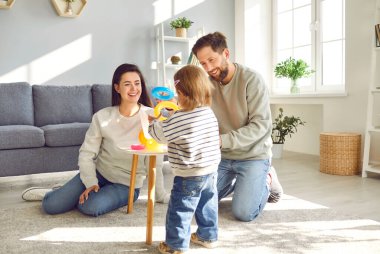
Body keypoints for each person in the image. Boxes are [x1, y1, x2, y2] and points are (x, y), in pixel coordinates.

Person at [21, 63, 170, 217]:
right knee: (51, 206)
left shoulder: (153, 117)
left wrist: (160, 195)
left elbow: (156, 162)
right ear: (117, 88)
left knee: (89, 207)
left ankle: (72, 193)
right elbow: (87, 153)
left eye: (137, 83)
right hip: (99, 173)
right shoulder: (102, 116)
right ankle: (57, 192)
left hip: (126, 185)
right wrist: (91, 182)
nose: (134, 89)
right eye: (127, 84)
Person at [191, 32, 283, 222]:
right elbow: (191, 110)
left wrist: (221, 140)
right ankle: (240, 182)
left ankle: (267, 179)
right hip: (223, 156)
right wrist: (164, 111)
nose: (208, 68)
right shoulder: (207, 84)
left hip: (253, 156)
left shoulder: (252, 80)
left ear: (226, 53)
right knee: (197, 202)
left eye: (211, 60)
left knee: (243, 212)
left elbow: (261, 126)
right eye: (203, 63)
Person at [148, 65, 221, 253]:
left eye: (177, 93)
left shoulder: (179, 119)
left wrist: (154, 121)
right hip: (211, 169)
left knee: (180, 208)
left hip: (189, 175)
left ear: (181, 93)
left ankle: (175, 245)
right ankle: (208, 236)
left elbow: (159, 134)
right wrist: (171, 115)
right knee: (207, 203)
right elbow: (181, 124)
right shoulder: (207, 113)